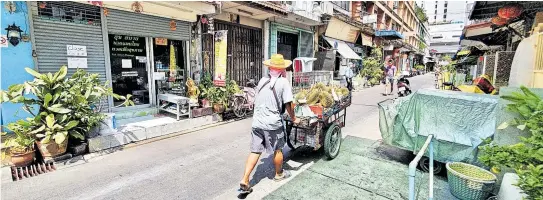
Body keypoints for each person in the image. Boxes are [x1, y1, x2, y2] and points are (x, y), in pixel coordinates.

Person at [239, 54, 300, 194]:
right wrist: (294, 118)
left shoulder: (262, 80)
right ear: (282, 69)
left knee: (255, 150)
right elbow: (289, 104)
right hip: (272, 123)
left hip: (257, 122)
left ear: (270, 67)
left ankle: (245, 179)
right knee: (278, 149)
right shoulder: (283, 82)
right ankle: (279, 174)